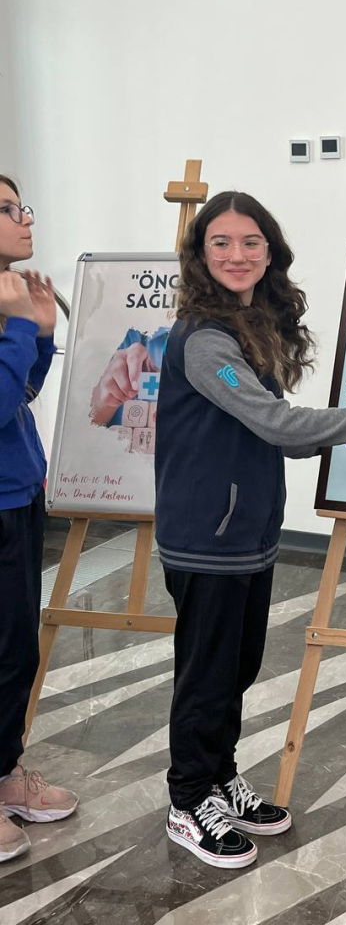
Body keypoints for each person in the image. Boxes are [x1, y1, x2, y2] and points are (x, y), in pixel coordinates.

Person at [155, 191, 346, 869]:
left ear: (270, 253)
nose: (237, 255)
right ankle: (187, 801)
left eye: (251, 242)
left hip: (246, 533)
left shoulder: (246, 325)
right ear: (201, 255)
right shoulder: (205, 340)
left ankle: (218, 778)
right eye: (221, 243)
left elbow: (271, 430)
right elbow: (279, 428)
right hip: (205, 537)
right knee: (206, 675)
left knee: (237, 668)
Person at [0, 174, 78, 863]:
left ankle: (5, 773)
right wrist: (23, 324)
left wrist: (42, 333)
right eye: (6, 210)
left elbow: (19, 394)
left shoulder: (9, 297)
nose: (25, 220)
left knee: (17, 649)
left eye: (20, 206)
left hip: (20, 496)